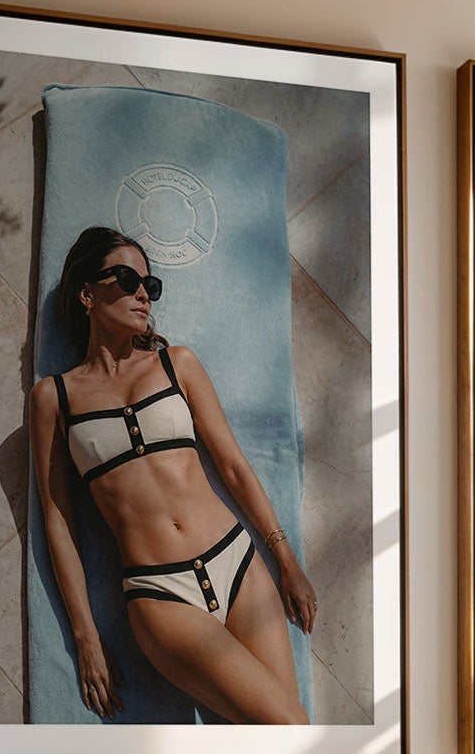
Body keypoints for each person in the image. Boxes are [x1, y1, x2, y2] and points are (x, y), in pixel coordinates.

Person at [29, 225, 315, 725]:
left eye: (151, 285)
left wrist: (284, 557)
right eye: (127, 278)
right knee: (289, 729)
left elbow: (232, 465)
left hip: (238, 565)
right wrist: (85, 638)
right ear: (86, 293)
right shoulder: (54, 398)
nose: (144, 293)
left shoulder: (176, 363)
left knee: (289, 741)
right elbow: (59, 521)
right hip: (160, 595)